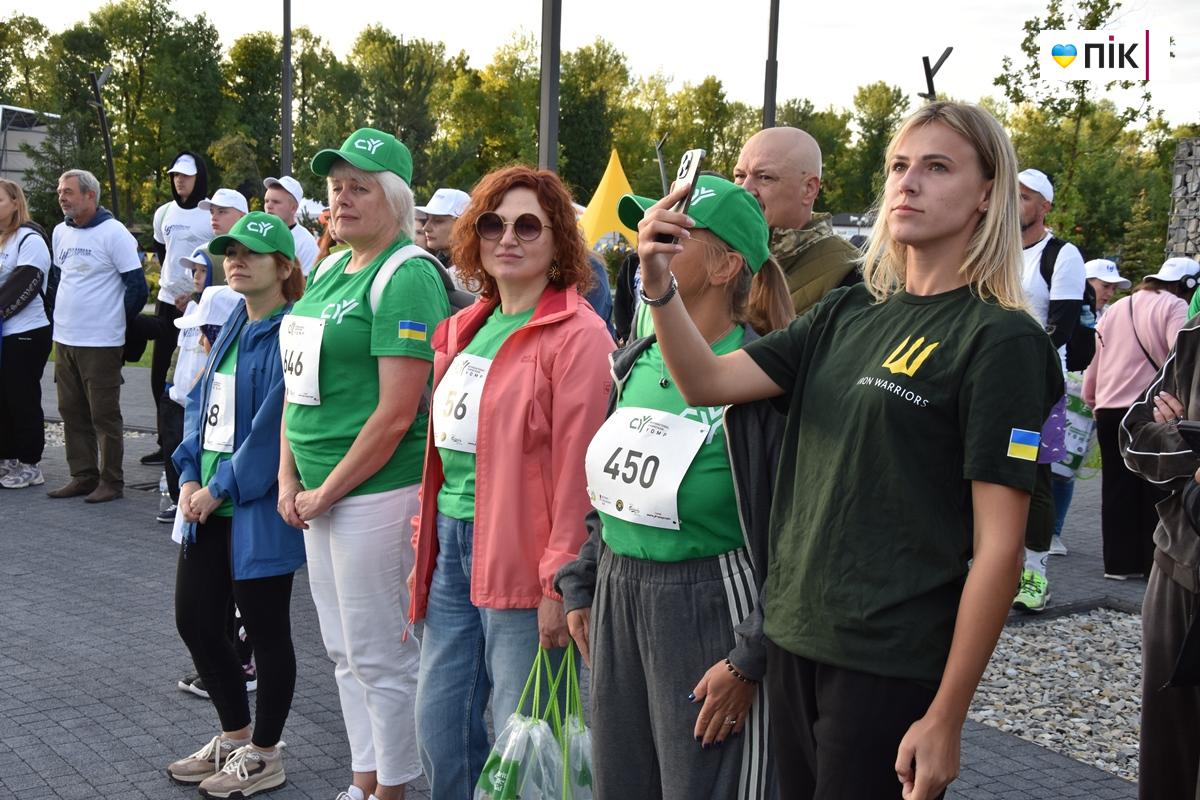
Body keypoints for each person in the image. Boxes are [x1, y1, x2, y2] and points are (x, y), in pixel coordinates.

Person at [633, 101, 1061, 799]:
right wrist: (656, 285)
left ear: (988, 194)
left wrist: (947, 716)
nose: (908, 183)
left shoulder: (1001, 340)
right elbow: (708, 380)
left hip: (888, 661)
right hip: (796, 640)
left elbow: (1001, 551)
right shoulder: (850, 309)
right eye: (898, 166)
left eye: (936, 167)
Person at [556, 175, 791, 800]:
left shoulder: (766, 376)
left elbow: (797, 534)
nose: (647, 243)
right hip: (619, 595)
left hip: (713, 600)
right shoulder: (633, 360)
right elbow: (608, 489)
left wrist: (752, 653)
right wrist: (583, 582)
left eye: (672, 234)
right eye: (647, 230)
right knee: (621, 785)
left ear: (726, 266)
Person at [409, 165, 614, 798]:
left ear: (560, 243)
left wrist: (560, 579)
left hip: (526, 560)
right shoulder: (467, 326)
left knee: (526, 741)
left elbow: (581, 472)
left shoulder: (579, 336)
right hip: (450, 546)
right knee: (439, 729)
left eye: (529, 225)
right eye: (493, 223)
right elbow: (443, 449)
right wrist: (425, 539)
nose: (509, 238)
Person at [279, 128, 450, 800]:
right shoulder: (327, 267)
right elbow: (300, 388)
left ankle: (396, 788)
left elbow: (396, 414)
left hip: (376, 494)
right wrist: (291, 480)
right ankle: (364, 779)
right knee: (345, 653)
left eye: (360, 187)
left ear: (396, 199)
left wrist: (324, 493)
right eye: (335, 188)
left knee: (383, 654)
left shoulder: (406, 275)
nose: (343, 200)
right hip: (319, 494)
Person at [167, 212, 306, 798]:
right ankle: (233, 736)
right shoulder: (227, 324)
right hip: (205, 502)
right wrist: (188, 473)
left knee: (267, 632)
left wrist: (218, 487)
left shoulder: (292, 332)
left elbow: (276, 424)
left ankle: (266, 753)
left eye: (251, 251)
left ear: (284, 267)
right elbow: (202, 407)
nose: (236, 259)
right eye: (229, 251)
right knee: (195, 620)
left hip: (252, 508)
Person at [1118, 315, 1200, 800]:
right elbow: (1134, 436)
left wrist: (1182, 431)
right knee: (1166, 759)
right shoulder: (1195, 334)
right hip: (1176, 567)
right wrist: (1189, 448)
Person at [1084, 258, 1196, 580]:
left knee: (1115, 487)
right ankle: (1151, 564)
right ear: (1187, 284)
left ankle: (1117, 564)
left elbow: (1096, 356)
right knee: (1154, 484)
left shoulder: (1119, 307)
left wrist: (1093, 398)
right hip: (1149, 411)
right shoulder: (1173, 306)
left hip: (1108, 408)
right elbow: (1183, 355)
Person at [47, 169, 148, 503]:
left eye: (69, 192)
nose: (62, 196)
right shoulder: (61, 232)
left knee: (103, 414)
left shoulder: (114, 233)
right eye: (60, 191)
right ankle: (83, 476)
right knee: (71, 410)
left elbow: (137, 288)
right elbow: (58, 278)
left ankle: (112, 481)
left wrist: (113, 320)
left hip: (101, 342)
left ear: (90, 195)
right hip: (65, 339)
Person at [1013, 167, 1086, 612]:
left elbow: (1061, 324)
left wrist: (1019, 360)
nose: (1014, 204)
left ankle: (1035, 574)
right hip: (992, 382)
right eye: (1011, 195)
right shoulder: (995, 246)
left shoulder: (1062, 254)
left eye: (1024, 197)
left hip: (1037, 384)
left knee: (1032, 476)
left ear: (1044, 207)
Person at [733, 127, 861, 315]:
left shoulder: (851, 274)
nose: (745, 189)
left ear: (809, 189)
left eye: (764, 177)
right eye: (739, 176)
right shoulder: (719, 253)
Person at [142, 152, 212, 466]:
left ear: (199, 178)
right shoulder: (164, 213)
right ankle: (165, 441)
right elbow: (162, 249)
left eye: (185, 175)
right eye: (175, 175)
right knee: (161, 376)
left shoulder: (209, 213)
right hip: (168, 304)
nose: (179, 180)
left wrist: (195, 293)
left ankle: (193, 439)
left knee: (193, 375)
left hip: (200, 305)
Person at [0, 179, 53, 489]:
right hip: (4, 333)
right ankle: (6, 458)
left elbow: (27, 282)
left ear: (15, 203)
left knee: (22, 398)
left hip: (26, 333)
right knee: (3, 398)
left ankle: (30, 464)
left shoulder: (29, 239)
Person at [416, 187, 471, 290]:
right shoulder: (436, 265)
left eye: (438, 221)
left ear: (463, 226)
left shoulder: (475, 275)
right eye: (427, 219)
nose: (426, 228)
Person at [264, 175, 319, 275]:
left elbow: (309, 283)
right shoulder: (260, 234)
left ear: (293, 208)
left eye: (276, 202)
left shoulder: (305, 242)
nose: (269, 206)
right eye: (266, 201)